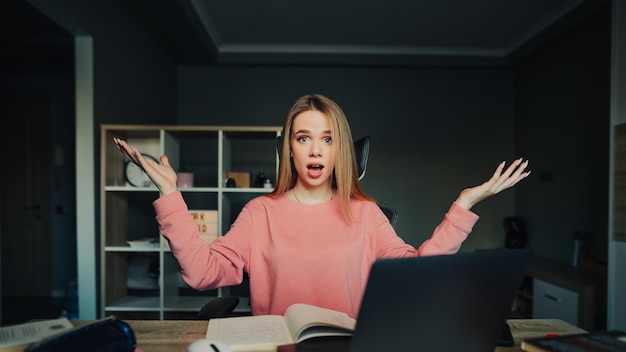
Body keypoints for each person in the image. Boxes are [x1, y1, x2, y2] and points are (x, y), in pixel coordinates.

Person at [115, 94, 530, 318]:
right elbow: (202, 274)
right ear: (289, 151)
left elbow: (418, 270)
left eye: (328, 139)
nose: (315, 150)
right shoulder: (260, 213)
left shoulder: (366, 215)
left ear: (340, 151)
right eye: (303, 138)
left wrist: (463, 205)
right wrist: (171, 195)